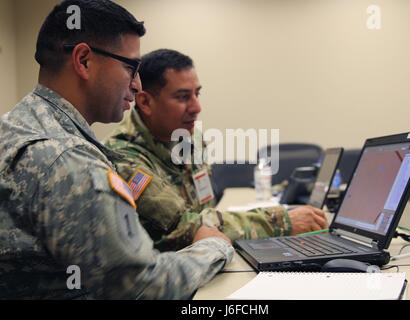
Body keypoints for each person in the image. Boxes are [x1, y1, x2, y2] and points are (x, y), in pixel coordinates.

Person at [0, 0, 233, 300]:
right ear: (83, 61)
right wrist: (213, 247)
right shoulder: (68, 160)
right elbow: (143, 286)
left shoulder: (16, 126)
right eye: (131, 67)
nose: (137, 85)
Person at [104, 49, 328, 252]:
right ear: (145, 103)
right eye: (183, 97)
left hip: (210, 256)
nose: (196, 107)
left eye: (197, 94)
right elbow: (185, 227)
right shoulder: (124, 159)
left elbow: (206, 212)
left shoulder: (189, 137)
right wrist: (281, 222)